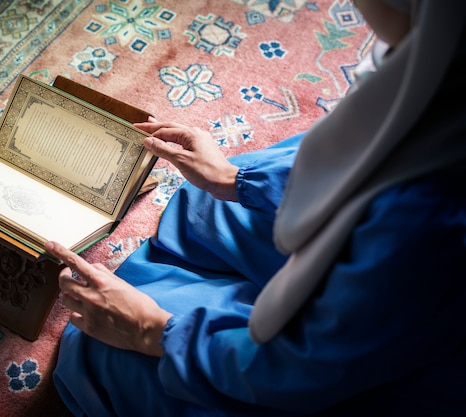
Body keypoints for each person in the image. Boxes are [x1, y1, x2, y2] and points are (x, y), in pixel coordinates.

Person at [45, 0, 466, 415]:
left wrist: (150, 330)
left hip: (375, 377)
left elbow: (307, 371)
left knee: (95, 353)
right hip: (388, 280)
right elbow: (353, 161)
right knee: (204, 201)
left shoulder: (426, 215)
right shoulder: (434, 54)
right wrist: (235, 181)